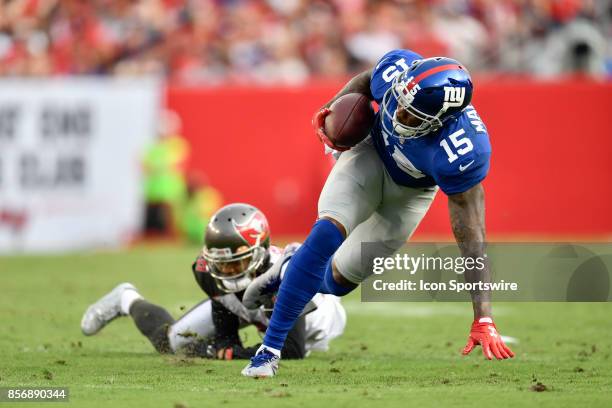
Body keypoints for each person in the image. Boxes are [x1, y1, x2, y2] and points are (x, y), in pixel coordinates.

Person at [242, 50, 515, 378]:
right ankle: (268, 351)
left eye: (412, 114)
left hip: (411, 192)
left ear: (440, 120)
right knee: (326, 233)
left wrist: (482, 317)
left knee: (339, 282)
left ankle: (288, 268)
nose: (399, 111)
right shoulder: (398, 70)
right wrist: (335, 106)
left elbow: (472, 240)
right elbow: (367, 81)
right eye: (399, 100)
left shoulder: (461, 150)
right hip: (370, 154)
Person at [81, 203, 345, 360]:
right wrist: (226, 344)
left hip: (312, 322)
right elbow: (224, 307)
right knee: (172, 343)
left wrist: (232, 354)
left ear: (259, 252)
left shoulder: (285, 275)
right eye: (221, 263)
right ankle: (126, 299)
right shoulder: (207, 271)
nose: (227, 271)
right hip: (255, 307)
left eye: (236, 262)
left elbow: (292, 348)